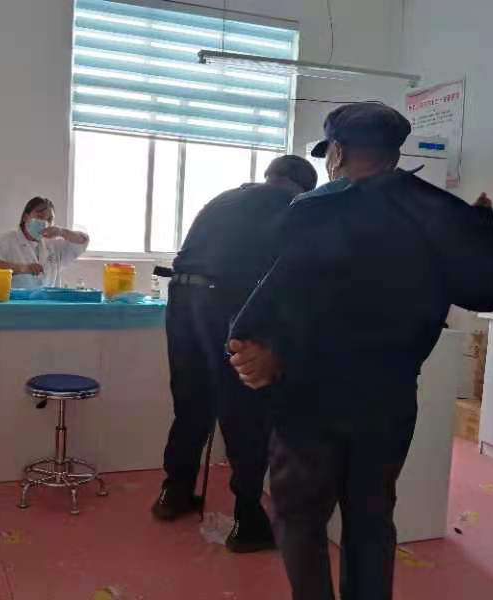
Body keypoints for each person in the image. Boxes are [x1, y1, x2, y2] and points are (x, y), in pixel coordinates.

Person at [228, 103, 493, 599]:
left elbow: (282, 293)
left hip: (311, 396)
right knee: (371, 517)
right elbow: (487, 293)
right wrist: (481, 229)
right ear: (395, 153)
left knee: (300, 516)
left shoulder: (315, 208)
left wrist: (255, 343)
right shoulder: (440, 210)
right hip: (389, 397)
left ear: (336, 152)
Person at [152, 155, 319, 553]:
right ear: (301, 186)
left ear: (270, 175)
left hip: (182, 300)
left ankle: (173, 494)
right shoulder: (290, 205)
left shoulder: (225, 198)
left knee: (191, 403)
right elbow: (293, 272)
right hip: (224, 303)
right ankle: (248, 520)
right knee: (243, 412)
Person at [0, 196, 89, 289]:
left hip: (47, 304)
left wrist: (61, 232)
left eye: (50, 219)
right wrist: (22, 268)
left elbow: (83, 241)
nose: (45, 222)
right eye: (40, 216)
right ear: (25, 217)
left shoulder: (54, 246)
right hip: (17, 304)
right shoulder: (6, 240)